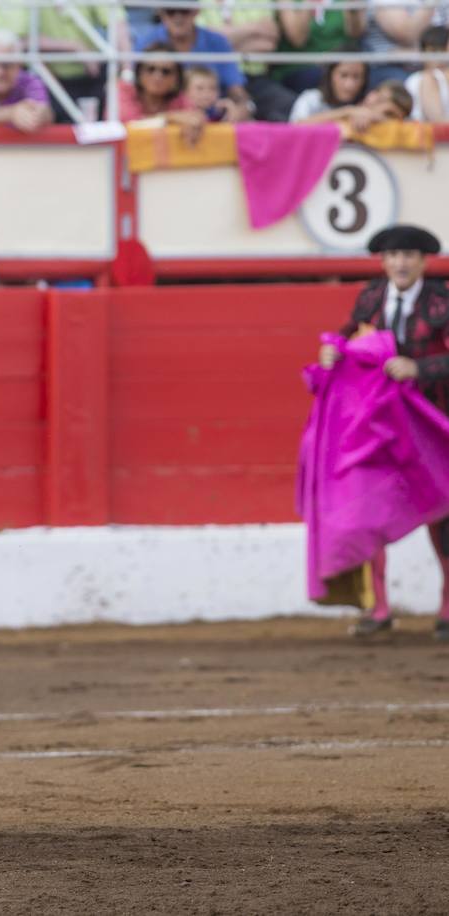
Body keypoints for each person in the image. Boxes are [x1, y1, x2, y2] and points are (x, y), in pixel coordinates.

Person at [317, 224, 449, 641]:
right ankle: (379, 607)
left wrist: (420, 368)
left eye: (409, 255)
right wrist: (332, 347)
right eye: (394, 256)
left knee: (442, 511)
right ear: (383, 261)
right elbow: (349, 331)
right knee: (370, 508)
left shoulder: (443, 301)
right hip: (380, 423)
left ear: (424, 261)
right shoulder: (373, 296)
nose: (401, 263)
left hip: (433, 421)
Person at [0, 0, 119, 122]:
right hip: (47, 77)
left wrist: (126, 71)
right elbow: (19, 41)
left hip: (87, 77)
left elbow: (118, 22)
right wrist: (74, 46)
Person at [135, 7, 255, 122]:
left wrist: (242, 108)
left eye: (184, 10)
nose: (178, 17)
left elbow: (237, 91)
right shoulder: (146, 41)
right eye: (170, 11)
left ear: (196, 11)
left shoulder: (217, 41)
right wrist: (173, 117)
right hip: (165, 123)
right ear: (161, 13)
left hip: (212, 120)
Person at [197, 0, 297, 121]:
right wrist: (254, 29)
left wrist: (219, 43)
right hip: (209, 80)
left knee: (292, 109)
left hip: (255, 79)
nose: (178, 15)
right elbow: (199, 39)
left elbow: (267, 43)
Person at [274, 0, 367, 93]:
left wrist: (353, 9)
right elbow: (298, 40)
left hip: (341, 66)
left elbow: (355, 34)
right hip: (300, 68)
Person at [289, 58, 380, 128]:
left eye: (356, 77)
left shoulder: (370, 101)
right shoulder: (311, 98)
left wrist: (374, 110)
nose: (349, 85)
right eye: (343, 75)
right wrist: (346, 112)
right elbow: (296, 126)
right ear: (330, 75)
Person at [407, 25, 449, 121]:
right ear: (422, 53)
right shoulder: (419, 79)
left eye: (443, 51)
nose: (439, 58)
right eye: (433, 51)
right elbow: (437, 121)